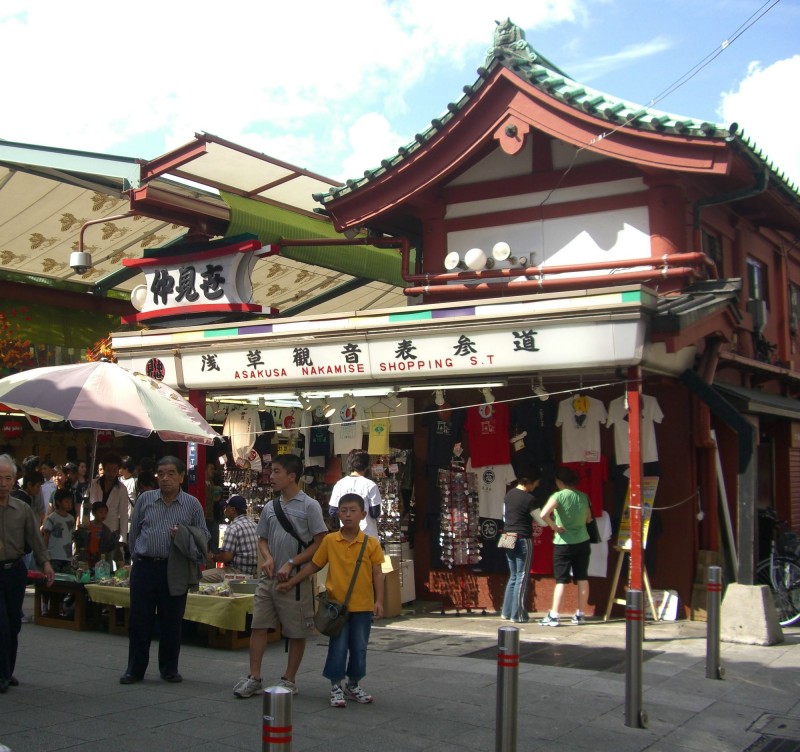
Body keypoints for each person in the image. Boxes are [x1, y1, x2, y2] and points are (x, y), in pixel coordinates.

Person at [232, 454, 327, 699]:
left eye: (276, 472)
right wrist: (268, 557)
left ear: (291, 476)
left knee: (296, 631)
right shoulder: (270, 507)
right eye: (271, 472)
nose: (271, 477)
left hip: (294, 580)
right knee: (259, 625)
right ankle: (254, 677)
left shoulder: (310, 506)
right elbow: (262, 538)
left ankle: (289, 679)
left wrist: (292, 562)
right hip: (269, 577)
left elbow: (320, 543)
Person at [279, 493, 385, 708]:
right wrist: (292, 582)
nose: (347, 515)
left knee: (359, 647)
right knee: (338, 646)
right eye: (343, 511)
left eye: (353, 511)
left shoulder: (371, 543)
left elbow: (377, 573)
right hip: (336, 608)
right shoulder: (330, 540)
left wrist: (379, 601)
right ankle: (336, 685)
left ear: (363, 514)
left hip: (363, 606)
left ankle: (353, 684)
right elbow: (314, 565)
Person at [121, 455, 209, 685]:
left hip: (175, 567)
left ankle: (169, 668)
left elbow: (203, 537)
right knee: (140, 621)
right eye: (161, 474)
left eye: (171, 473)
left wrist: (181, 538)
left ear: (181, 477)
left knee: (172, 621)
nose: (165, 479)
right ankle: (135, 669)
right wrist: (136, 558)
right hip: (145, 566)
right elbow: (134, 534)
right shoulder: (145, 499)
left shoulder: (192, 504)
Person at [0, 453, 55, 693]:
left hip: (14, 570)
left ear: (14, 481)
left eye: (8, 478)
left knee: (13, 623)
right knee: (0, 624)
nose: (3, 483)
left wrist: (45, 563)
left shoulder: (21, 508)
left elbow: (35, 538)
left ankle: (7, 671)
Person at [538, 466, 592, 627]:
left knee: (561, 580)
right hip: (582, 541)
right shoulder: (583, 496)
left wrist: (554, 526)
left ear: (560, 481)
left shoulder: (558, 496)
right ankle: (580, 614)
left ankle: (554, 615)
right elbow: (589, 519)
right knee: (582, 577)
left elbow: (543, 514)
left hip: (563, 542)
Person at [500, 466, 542, 623]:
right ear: (530, 482)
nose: (536, 486)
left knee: (513, 575)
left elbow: (504, 516)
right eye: (536, 483)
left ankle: (506, 611)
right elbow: (541, 520)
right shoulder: (529, 499)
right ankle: (516, 614)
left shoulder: (509, 495)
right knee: (522, 576)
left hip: (506, 536)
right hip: (522, 537)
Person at [328, 449, 383, 538]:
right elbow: (375, 513)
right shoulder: (370, 485)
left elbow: (333, 511)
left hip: (346, 536)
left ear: (349, 464)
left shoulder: (339, 484)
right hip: (368, 536)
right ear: (366, 466)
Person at [202, 495, 258, 580]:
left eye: (226, 507)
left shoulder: (233, 528)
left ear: (232, 510)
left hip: (237, 572)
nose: (225, 510)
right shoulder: (254, 525)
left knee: (201, 576)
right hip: (254, 573)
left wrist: (213, 557)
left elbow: (226, 557)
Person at [89, 452, 129, 556]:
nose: (111, 473)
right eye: (108, 470)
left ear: (118, 470)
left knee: (109, 561)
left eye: (114, 470)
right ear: (103, 468)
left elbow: (124, 514)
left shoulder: (122, 489)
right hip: (93, 527)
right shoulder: (93, 484)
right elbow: (86, 506)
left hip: (111, 530)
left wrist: (123, 537)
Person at [73, 501, 119, 570]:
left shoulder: (106, 530)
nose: (103, 515)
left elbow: (108, 548)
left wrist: (114, 538)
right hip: (86, 559)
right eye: (100, 512)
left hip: (99, 560)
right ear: (93, 513)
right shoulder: (86, 526)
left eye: (105, 513)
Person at [42, 488, 76, 574]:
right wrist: (45, 553)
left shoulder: (71, 519)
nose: (69, 504)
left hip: (67, 557)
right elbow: (46, 535)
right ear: (58, 502)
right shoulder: (52, 517)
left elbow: (71, 536)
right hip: (54, 555)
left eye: (70, 502)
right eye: (66, 501)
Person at [204, 461, 223, 551]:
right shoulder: (201, 482)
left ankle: (216, 557)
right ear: (205, 470)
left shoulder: (211, 482)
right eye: (211, 469)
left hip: (211, 516)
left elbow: (212, 499)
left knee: (215, 539)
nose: (213, 471)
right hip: (205, 517)